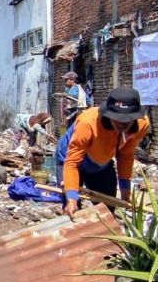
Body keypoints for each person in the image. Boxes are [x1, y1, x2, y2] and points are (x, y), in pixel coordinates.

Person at [55, 87, 150, 217]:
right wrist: (71, 198)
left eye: (127, 120)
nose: (122, 124)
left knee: (107, 208)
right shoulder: (88, 123)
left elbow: (126, 155)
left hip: (100, 161)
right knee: (72, 208)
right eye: (117, 119)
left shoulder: (142, 124)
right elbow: (71, 162)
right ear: (108, 114)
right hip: (70, 159)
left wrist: (125, 192)